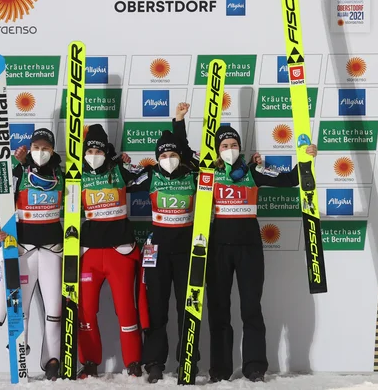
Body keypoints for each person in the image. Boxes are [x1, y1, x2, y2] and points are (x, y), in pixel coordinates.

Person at [173, 117, 317, 383]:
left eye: (234, 144)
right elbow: (183, 153)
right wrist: (179, 123)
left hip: (249, 249)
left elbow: (290, 180)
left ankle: (254, 367)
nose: (230, 148)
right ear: (217, 150)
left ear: (240, 147)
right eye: (225, 144)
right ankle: (220, 369)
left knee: (251, 308)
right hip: (217, 249)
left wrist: (306, 158)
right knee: (219, 310)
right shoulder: (209, 173)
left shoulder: (254, 171)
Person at [123, 103, 199, 383]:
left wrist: (178, 122)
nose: (168, 158)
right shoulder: (152, 175)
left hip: (186, 248)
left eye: (172, 153)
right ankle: (154, 361)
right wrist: (117, 161)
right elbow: (125, 180)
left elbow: (189, 152)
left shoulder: (193, 174)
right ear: (157, 158)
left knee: (185, 305)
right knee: (156, 307)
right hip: (157, 248)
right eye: (163, 154)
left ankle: (187, 358)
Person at [77, 124, 149, 379]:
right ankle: (89, 363)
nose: (93, 153)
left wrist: (125, 163)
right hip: (89, 254)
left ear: (107, 151)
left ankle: (133, 362)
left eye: (98, 149)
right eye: (89, 149)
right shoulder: (76, 174)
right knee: (85, 312)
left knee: (127, 310)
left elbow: (150, 176)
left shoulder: (119, 170)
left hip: (120, 251)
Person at [0, 128, 64, 381]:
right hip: (23, 250)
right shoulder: (20, 171)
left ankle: (52, 360)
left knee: (54, 310)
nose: (40, 152)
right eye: (36, 147)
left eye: (45, 148)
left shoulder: (62, 176)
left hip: (52, 251)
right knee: (19, 310)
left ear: (53, 150)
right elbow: (2, 190)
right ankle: (19, 353)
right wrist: (0, 232)